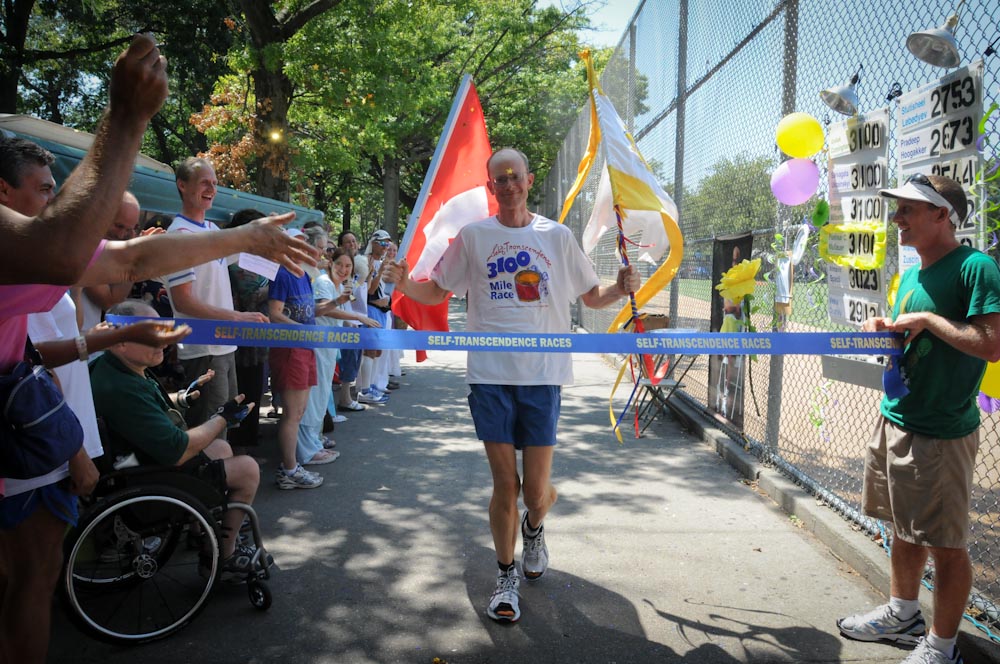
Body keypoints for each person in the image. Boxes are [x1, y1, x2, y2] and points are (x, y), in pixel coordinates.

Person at [383, 148, 640, 623]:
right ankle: (505, 578)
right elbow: (436, 291)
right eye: (499, 179)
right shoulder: (475, 236)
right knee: (506, 484)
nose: (507, 185)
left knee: (536, 492)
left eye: (514, 177)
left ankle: (535, 528)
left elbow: (592, 297)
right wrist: (404, 283)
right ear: (490, 186)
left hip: (542, 376)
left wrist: (620, 288)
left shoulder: (556, 236)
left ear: (528, 180)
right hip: (490, 376)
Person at [837, 174, 1000, 664]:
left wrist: (927, 321)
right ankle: (903, 614)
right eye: (898, 209)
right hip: (896, 418)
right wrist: (884, 331)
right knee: (903, 528)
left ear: (942, 215)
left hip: (940, 433)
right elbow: (911, 340)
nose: (897, 219)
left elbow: (991, 344)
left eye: (908, 209)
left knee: (946, 545)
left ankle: (942, 647)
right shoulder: (912, 275)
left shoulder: (975, 267)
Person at [90, 301, 261, 579]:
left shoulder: (114, 367)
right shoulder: (121, 387)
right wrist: (224, 418)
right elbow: (178, 450)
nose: (165, 341)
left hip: (136, 462)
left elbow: (148, 409)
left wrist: (181, 398)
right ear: (120, 341)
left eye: (164, 330)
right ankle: (222, 556)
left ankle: (199, 530)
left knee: (221, 447)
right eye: (153, 334)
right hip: (144, 479)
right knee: (248, 469)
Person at [0, 33, 167, 286]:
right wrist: (127, 115)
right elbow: (65, 258)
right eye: (44, 189)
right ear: (3, 189)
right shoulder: (45, 254)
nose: (54, 200)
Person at [164, 157, 269, 429]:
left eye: (214, 183)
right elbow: (183, 301)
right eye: (204, 183)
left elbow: (244, 253)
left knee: (225, 424)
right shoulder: (179, 236)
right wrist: (237, 317)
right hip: (204, 349)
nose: (211, 189)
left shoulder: (211, 230)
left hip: (224, 345)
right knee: (210, 429)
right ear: (182, 185)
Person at [268, 234, 324, 489]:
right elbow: (274, 314)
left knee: (298, 412)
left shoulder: (303, 275)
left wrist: (338, 303)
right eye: (296, 244)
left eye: (304, 244)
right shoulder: (282, 275)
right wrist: (301, 331)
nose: (303, 249)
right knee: (292, 414)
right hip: (290, 350)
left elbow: (311, 310)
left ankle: (290, 467)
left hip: (306, 348)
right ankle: (289, 469)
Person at [227, 208, 271, 452]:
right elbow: (249, 295)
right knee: (244, 386)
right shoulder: (234, 260)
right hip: (241, 336)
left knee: (254, 384)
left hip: (257, 334)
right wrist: (272, 289)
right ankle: (242, 437)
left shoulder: (256, 258)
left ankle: (249, 432)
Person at [335, 229, 367, 413]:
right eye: (348, 242)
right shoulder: (339, 272)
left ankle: (346, 397)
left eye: (354, 241)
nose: (352, 244)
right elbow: (346, 297)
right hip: (344, 322)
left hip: (356, 321)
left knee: (354, 359)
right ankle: (344, 399)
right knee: (347, 360)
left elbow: (354, 297)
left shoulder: (358, 269)